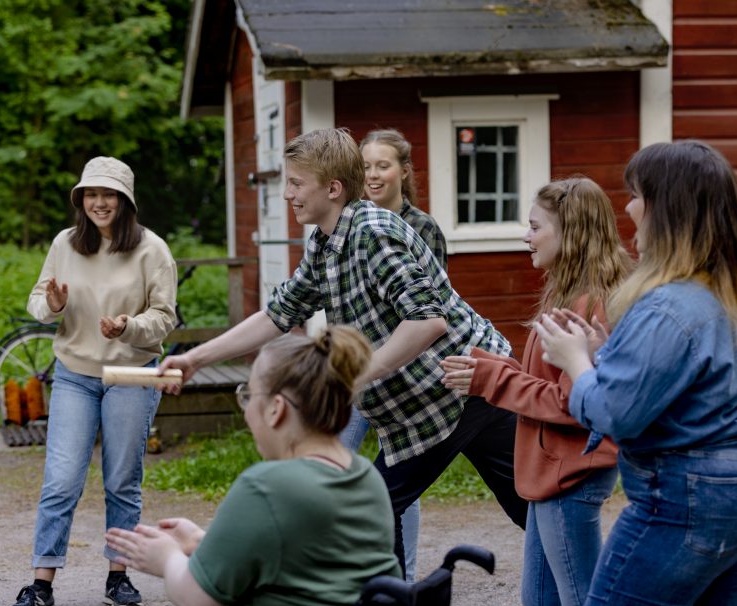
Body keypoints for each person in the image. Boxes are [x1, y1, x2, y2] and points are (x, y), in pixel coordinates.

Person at [162, 128, 527, 570]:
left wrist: (356, 373)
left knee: (378, 505)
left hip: (458, 390)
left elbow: (428, 320)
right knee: (529, 505)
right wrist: (195, 359)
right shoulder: (324, 242)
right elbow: (278, 314)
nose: (288, 195)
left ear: (332, 189)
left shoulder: (373, 232)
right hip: (433, 400)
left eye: (296, 184)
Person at [535, 140, 737, 606]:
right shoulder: (726, 294)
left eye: (636, 195)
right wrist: (607, 357)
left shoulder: (667, 304)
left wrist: (576, 362)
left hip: (688, 499)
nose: (627, 208)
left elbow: (616, 416)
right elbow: (688, 388)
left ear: (665, 209)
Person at [107, 326, 400, 606]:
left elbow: (199, 601)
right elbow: (308, 562)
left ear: (276, 409)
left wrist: (166, 558)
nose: (247, 411)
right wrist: (203, 542)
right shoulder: (364, 476)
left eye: (249, 396)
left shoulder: (266, 486)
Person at [441, 177, 632, 606]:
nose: (526, 236)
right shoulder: (570, 295)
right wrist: (489, 368)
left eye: (534, 226)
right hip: (551, 470)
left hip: (569, 473)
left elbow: (576, 406)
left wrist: (492, 380)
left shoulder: (589, 306)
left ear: (568, 232)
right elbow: (548, 384)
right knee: (543, 603)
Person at [2, 156, 177, 606]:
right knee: (61, 479)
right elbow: (39, 300)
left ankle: (118, 577)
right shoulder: (65, 243)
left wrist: (128, 326)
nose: (100, 202)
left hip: (132, 374)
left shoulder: (152, 249)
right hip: (76, 376)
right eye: (91, 194)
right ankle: (41, 587)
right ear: (81, 200)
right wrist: (52, 304)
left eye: (109, 194)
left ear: (125, 200)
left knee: (122, 478)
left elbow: (164, 317)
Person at [342, 128, 448, 581]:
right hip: (355, 370)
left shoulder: (422, 229)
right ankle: (343, 567)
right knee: (333, 458)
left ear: (404, 171)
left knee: (401, 475)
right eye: (365, 166)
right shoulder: (345, 225)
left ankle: (401, 575)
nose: (373, 174)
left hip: (402, 373)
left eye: (382, 165)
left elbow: (437, 309)